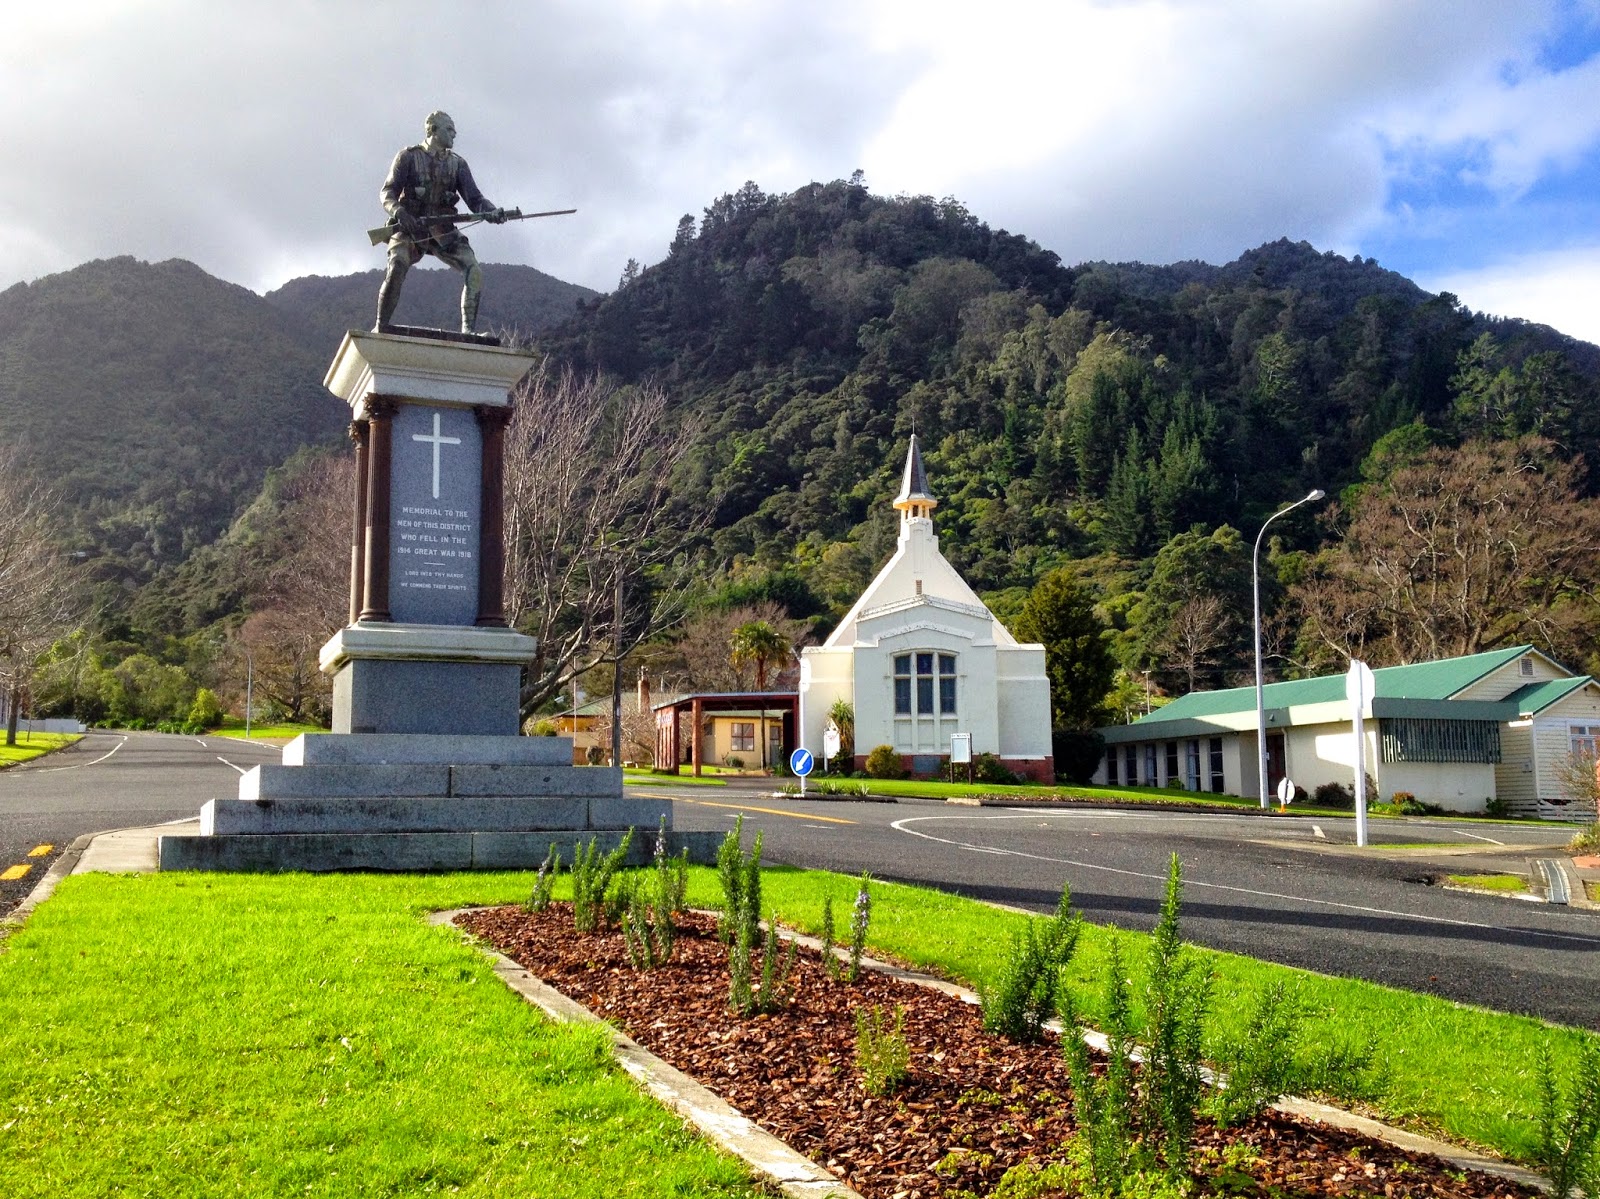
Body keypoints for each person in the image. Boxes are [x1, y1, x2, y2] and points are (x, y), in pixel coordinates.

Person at [375, 111, 505, 333]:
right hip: (410, 227)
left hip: (443, 230)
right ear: (433, 129)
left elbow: (475, 199)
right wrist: (399, 213)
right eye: (449, 129)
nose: (454, 134)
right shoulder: (407, 156)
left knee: (473, 271)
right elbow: (387, 192)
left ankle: (468, 332)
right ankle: (381, 325)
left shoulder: (458, 164)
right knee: (397, 266)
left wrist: (493, 212)